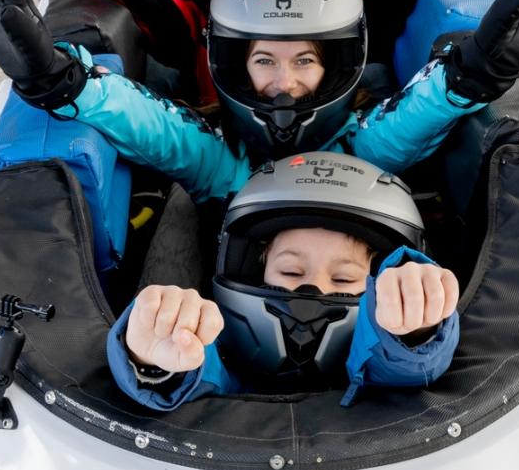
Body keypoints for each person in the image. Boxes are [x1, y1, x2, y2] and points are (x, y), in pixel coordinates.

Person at [0, 0, 519, 204]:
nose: (284, 82)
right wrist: (57, 80)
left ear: (335, 64)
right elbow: (144, 120)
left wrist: (480, 69)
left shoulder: (361, 146)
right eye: (264, 61)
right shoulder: (217, 160)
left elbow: (417, 114)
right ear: (234, 62)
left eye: (305, 60)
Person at [107, 152, 461, 409]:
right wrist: (154, 359)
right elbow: (204, 373)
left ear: (379, 281)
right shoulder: (224, 346)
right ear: (252, 268)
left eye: (343, 278)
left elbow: (396, 367)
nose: (313, 292)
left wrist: (416, 330)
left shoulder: (384, 361)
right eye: (291, 272)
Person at [52, 0, 457, 103]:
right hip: (221, 146)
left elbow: (382, 9)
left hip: (337, 144)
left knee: (377, 74)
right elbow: (157, 9)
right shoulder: (203, 23)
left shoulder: (330, 7)